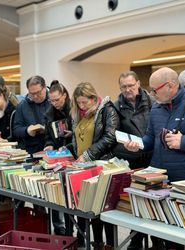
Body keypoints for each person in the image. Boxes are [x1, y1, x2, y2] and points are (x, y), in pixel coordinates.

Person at [124, 67, 185, 250]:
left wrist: (184, 141)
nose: (152, 94)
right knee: (168, 234)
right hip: (160, 181)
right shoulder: (156, 108)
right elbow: (151, 138)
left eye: (155, 89)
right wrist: (137, 144)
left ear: (171, 86)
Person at [68, 82, 119, 249]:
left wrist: (88, 154)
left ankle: (110, 244)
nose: (81, 106)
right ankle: (97, 243)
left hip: (102, 165)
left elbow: (110, 137)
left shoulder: (106, 110)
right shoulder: (78, 114)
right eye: (78, 103)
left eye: (85, 102)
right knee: (92, 210)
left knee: (104, 209)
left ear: (93, 98)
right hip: (84, 167)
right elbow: (78, 138)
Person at [112, 71, 152, 250]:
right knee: (136, 204)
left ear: (138, 83)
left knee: (155, 202)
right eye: (123, 87)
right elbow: (113, 137)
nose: (127, 89)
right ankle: (136, 240)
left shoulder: (152, 102)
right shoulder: (116, 107)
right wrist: (125, 147)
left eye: (130, 85)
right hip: (132, 160)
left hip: (153, 158)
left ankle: (157, 241)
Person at [43, 80, 73, 236]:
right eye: (51, 100)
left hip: (74, 157)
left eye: (57, 100)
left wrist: (72, 136)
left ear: (65, 96)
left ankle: (78, 235)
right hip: (57, 158)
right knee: (56, 192)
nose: (54, 103)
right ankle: (62, 231)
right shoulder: (49, 113)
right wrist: (49, 145)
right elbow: (48, 136)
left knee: (73, 198)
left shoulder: (74, 109)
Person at [13, 75, 51, 154]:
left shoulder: (53, 101)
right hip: (31, 150)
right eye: (32, 94)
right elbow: (16, 130)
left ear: (44, 88)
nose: (35, 96)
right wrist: (27, 130)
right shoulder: (22, 106)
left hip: (52, 149)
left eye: (38, 93)